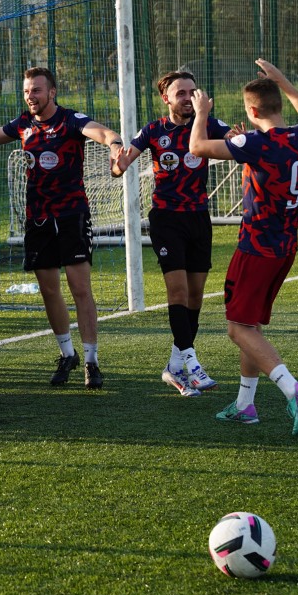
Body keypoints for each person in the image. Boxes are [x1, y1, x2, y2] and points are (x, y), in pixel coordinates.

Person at [0, 66, 124, 389]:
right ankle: (67, 354)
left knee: (80, 288)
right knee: (48, 289)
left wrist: (115, 144)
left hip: (71, 215)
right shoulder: (23, 125)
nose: (31, 96)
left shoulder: (71, 120)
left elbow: (99, 133)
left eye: (37, 90)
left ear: (52, 92)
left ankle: (91, 360)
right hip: (38, 218)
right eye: (27, 91)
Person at [188, 59, 298, 436]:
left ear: (252, 110)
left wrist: (202, 112)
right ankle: (245, 404)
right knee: (251, 325)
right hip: (285, 247)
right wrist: (283, 79)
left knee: (236, 329)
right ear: (279, 103)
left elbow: (197, 147)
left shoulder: (257, 142)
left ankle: (294, 389)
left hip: (256, 248)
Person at [113, 71, 230, 397]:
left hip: (199, 218)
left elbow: (236, 140)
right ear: (166, 98)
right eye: (181, 93)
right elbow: (120, 166)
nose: (188, 98)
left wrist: (239, 136)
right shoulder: (153, 130)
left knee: (194, 296)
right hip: (166, 219)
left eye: (192, 91)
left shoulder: (209, 124)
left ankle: (174, 366)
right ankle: (191, 362)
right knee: (177, 293)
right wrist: (119, 164)